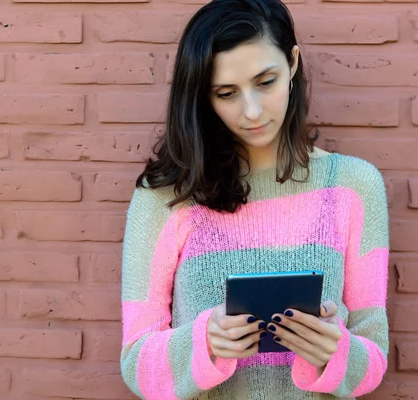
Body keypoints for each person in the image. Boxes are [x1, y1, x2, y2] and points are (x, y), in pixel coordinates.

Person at [119, 0, 390, 398]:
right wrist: (204, 342)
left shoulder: (354, 186)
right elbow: (136, 365)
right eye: (226, 93)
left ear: (293, 63)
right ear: (203, 97)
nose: (253, 110)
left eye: (266, 82)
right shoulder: (165, 197)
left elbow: (374, 360)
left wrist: (335, 352)